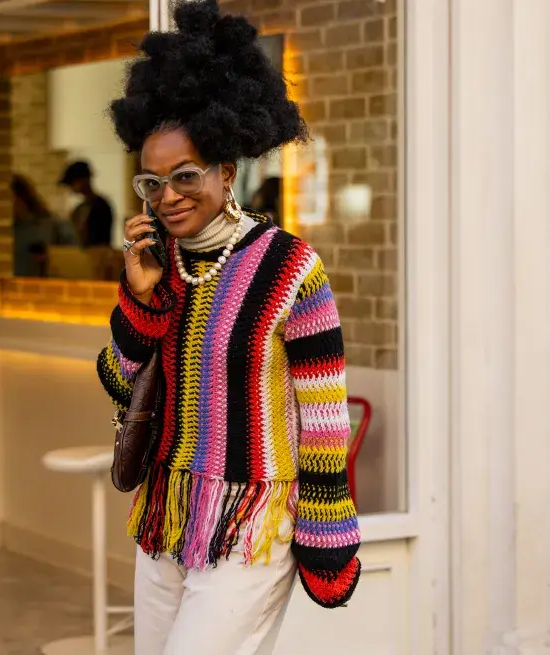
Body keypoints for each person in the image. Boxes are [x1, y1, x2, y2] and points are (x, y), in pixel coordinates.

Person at [95, 2, 361, 652]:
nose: (168, 196)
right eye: (151, 182)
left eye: (185, 176)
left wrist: (327, 523)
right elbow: (115, 381)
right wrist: (139, 299)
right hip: (166, 514)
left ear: (225, 171)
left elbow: (323, 411)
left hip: (251, 521)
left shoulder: (290, 266)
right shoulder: (159, 267)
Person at [11, 174, 76, 277]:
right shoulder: (3, 231)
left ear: (21, 198)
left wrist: (52, 257)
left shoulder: (55, 225)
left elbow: (75, 258)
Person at [59, 161, 114, 248]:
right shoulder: (79, 208)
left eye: (73, 183)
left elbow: (100, 238)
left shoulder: (100, 205)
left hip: (98, 255)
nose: (71, 187)